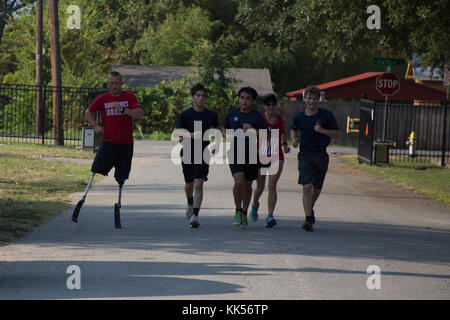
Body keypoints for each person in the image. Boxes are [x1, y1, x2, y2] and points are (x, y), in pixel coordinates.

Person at [289, 86, 339, 231]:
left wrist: (322, 131)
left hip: (321, 154)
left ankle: (309, 207)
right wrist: (294, 139)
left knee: (317, 187)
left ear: (319, 100)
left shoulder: (326, 116)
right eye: (309, 98)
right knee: (307, 186)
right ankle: (308, 218)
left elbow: (336, 133)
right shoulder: (299, 117)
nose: (311, 101)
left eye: (314, 98)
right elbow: (293, 128)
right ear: (304, 99)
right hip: (305, 154)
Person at [86, 71, 143, 185]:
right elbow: (88, 112)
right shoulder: (103, 98)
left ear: (121, 83)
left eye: (117, 83)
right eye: (111, 83)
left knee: (122, 175)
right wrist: (95, 125)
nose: (114, 86)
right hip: (109, 140)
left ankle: (119, 199)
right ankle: (85, 195)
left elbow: (140, 114)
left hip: (126, 142)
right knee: (97, 167)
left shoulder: (129, 97)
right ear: (108, 84)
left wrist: (123, 109)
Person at [173, 83, 218, 228]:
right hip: (187, 151)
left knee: (199, 183)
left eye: (203, 96)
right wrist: (192, 135)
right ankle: (189, 202)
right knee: (189, 184)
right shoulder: (186, 114)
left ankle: (195, 216)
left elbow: (216, 131)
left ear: (205, 98)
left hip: (203, 153)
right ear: (193, 98)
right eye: (197, 95)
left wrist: (216, 144)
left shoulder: (211, 115)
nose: (200, 98)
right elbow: (176, 132)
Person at [223, 86, 268, 229]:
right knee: (239, 181)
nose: (244, 101)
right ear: (239, 99)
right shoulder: (232, 114)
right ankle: (237, 210)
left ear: (253, 101)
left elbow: (267, 136)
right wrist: (226, 134)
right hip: (235, 152)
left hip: (251, 154)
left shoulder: (257, 117)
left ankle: (244, 210)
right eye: (242, 98)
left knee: (248, 185)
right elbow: (224, 128)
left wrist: (251, 129)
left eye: (248, 98)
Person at [249, 93, 290, 228]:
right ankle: (255, 205)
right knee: (260, 187)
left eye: (273, 104)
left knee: (272, 185)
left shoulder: (280, 119)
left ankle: (270, 215)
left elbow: (284, 133)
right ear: (264, 106)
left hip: (276, 154)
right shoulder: (259, 119)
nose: (271, 107)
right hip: (261, 154)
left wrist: (284, 144)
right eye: (268, 104)